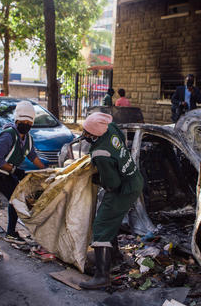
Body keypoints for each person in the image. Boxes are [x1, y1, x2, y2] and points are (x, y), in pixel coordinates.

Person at [78, 112, 144, 289]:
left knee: (101, 225)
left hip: (123, 188)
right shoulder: (111, 129)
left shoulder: (101, 152)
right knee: (110, 220)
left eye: (86, 133)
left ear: (94, 134)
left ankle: (102, 276)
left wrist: (96, 179)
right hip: (133, 178)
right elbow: (121, 139)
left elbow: (112, 183)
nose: (84, 136)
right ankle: (113, 257)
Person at [0, 101, 46, 240]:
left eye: (29, 123)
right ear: (17, 120)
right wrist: (16, 171)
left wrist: (45, 171)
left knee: (15, 200)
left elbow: (32, 155)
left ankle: (10, 233)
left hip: (1, 173)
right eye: (23, 122)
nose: (26, 125)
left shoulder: (27, 139)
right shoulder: (8, 136)